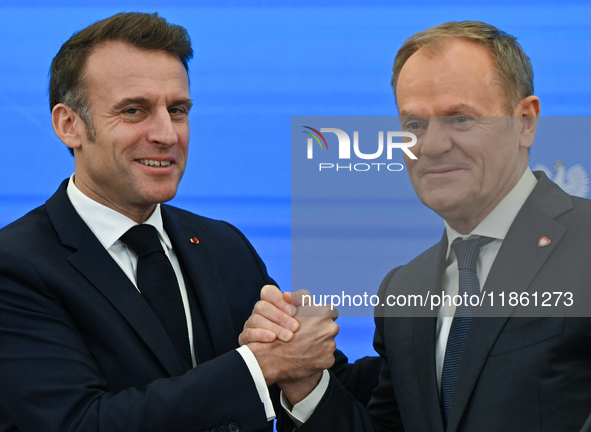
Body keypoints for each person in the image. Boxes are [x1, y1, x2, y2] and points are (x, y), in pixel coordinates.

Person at [0, 12, 380, 432]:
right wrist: (260, 366)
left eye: (177, 110)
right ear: (69, 125)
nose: (167, 134)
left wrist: (443, 335)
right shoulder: (15, 266)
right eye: (134, 110)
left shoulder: (223, 244)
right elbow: (75, 423)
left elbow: (332, 386)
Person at [243, 21, 591, 431]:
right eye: (414, 125)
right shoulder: (403, 291)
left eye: (460, 118)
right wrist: (304, 384)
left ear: (525, 121)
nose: (432, 146)